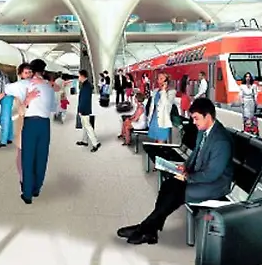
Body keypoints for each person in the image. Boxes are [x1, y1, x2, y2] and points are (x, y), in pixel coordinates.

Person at [117, 97, 233, 245]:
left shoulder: (221, 141)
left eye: (196, 118)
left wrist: (188, 176)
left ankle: (145, 229)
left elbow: (212, 174)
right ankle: (149, 230)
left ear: (208, 116)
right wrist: (185, 166)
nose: (194, 122)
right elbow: (196, 153)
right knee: (168, 186)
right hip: (200, 176)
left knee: (174, 193)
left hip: (215, 185)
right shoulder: (203, 131)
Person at [18, 59, 56, 205]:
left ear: (32, 71)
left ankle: (27, 194)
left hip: (30, 123)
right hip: (44, 125)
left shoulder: (26, 85)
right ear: (43, 71)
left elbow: (21, 110)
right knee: (41, 157)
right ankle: (36, 189)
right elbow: (53, 108)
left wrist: (28, 101)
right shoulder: (49, 88)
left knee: (28, 158)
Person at [4, 63, 35, 189]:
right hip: (23, 123)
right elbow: (21, 111)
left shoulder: (36, 85)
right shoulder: (16, 87)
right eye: (26, 72)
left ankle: (28, 178)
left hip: (35, 123)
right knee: (22, 152)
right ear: (20, 74)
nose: (29, 75)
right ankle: (23, 179)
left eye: (30, 72)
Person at [75, 69, 100, 152]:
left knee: (88, 126)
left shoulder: (86, 86)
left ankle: (96, 143)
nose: (78, 77)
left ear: (82, 76)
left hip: (84, 109)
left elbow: (84, 100)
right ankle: (84, 141)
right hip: (85, 108)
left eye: (79, 76)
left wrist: (80, 109)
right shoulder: (86, 85)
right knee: (85, 125)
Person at [147, 72, 175, 143]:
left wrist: (163, 91)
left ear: (166, 81)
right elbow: (152, 106)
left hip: (163, 120)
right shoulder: (155, 91)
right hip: (154, 120)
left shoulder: (171, 92)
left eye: (161, 78)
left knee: (161, 143)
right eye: (158, 78)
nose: (159, 80)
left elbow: (166, 105)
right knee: (155, 143)